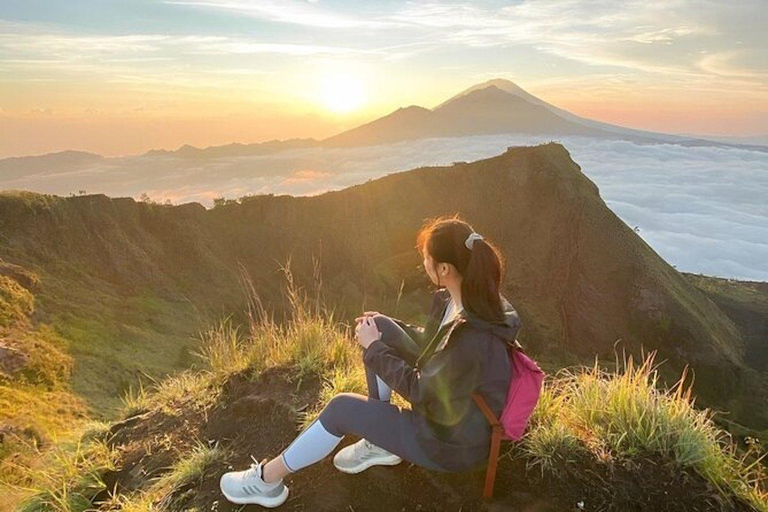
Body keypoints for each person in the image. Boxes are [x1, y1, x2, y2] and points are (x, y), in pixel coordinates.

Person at [219, 215, 522, 507]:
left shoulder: (471, 336)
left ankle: (266, 482)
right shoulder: (463, 299)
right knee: (380, 326)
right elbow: (434, 346)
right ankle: (381, 442)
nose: (423, 263)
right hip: (457, 419)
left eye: (427, 258)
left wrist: (375, 349)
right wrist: (383, 332)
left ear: (444, 268)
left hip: (450, 445)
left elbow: (422, 392)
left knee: (341, 408)